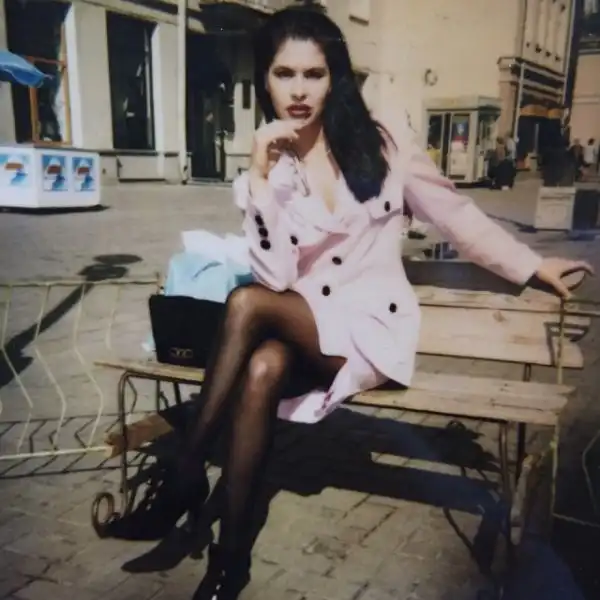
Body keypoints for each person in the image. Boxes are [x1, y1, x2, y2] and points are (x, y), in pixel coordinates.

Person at [105, 8, 593, 599]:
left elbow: (457, 216)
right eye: (284, 74)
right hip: (305, 329)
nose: (299, 90)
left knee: (245, 305)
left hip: (370, 331)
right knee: (261, 366)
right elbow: (276, 277)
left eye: (314, 74)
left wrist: (530, 265)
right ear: (265, 80)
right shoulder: (270, 170)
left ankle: (184, 475)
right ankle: (227, 563)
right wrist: (259, 176)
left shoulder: (383, 143)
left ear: (334, 77)